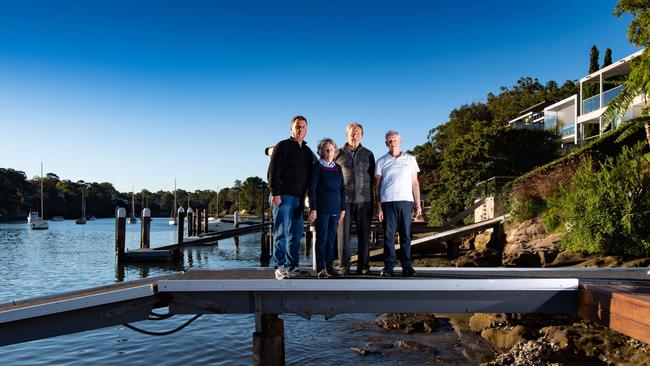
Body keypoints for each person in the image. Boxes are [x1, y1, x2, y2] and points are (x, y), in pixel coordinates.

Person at [267, 115, 315, 280]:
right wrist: (276, 193)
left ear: (307, 129)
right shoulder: (283, 146)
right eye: (297, 126)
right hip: (283, 197)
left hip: (299, 200)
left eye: (303, 126)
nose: (300, 129)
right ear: (291, 129)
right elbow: (273, 171)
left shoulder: (308, 152)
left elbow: (313, 174)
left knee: (295, 234)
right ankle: (279, 267)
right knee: (281, 233)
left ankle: (292, 266)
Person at [375, 130, 421, 277]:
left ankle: (407, 266)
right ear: (386, 143)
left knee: (406, 235)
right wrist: (379, 206)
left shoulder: (410, 159)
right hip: (387, 202)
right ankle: (388, 266)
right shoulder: (381, 161)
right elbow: (377, 186)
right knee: (389, 237)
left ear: (400, 142)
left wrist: (418, 204)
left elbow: (415, 183)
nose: (392, 143)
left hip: (406, 202)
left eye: (395, 140)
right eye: (389, 141)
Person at [335, 123, 375, 275]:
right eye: (352, 132)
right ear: (347, 134)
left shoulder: (368, 154)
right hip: (343, 201)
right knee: (343, 235)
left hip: (364, 200)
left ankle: (363, 266)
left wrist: (375, 203)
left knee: (364, 234)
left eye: (358, 133)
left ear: (362, 135)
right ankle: (344, 266)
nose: (355, 135)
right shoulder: (337, 153)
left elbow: (373, 179)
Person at [308, 138, 346, 278]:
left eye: (332, 149)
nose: (329, 152)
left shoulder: (338, 168)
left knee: (331, 239)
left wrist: (343, 209)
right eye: (326, 149)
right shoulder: (317, 167)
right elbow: (312, 189)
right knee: (322, 239)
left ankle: (330, 268)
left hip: (335, 209)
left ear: (335, 151)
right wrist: (313, 208)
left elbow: (342, 189)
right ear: (321, 152)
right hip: (321, 209)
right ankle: (320, 269)